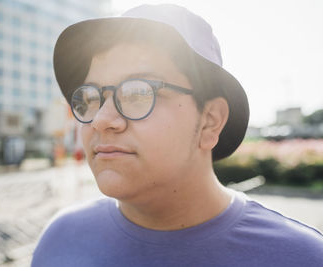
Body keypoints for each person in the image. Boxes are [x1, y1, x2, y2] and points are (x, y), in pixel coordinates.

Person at [32, 4, 323, 266]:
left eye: (137, 92)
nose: (101, 119)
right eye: (90, 97)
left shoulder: (300, 257)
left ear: (210, 122)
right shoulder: (60, 240)